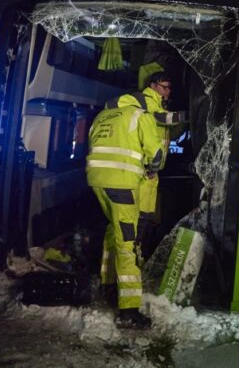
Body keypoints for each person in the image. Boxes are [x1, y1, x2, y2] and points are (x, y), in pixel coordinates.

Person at [86, 102, 163, 329]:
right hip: (123, 185)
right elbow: (156, 153)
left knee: (113, 230)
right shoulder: (139, 115)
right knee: (127, 244)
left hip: (97, 181)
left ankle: (108, 284)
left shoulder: (103, 115)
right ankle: (128, 310)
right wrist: (152, 169)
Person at [106, 71, 186, 248]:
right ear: (153, 85)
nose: (168, 91)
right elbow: (162, 118)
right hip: (142, 169)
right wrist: (186, 115)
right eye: (165, 87)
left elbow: (167, 134)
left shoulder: (157, 104)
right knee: (133, 223)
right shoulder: (146, 100)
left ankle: (136, 254)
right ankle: (128, 258)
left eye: (169, 88)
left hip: (151, 171)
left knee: (144, 220)